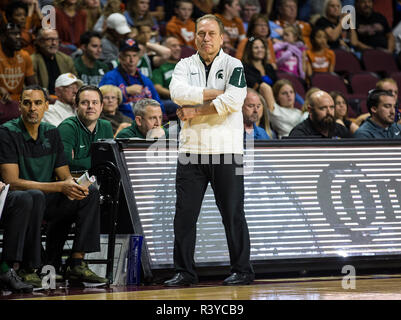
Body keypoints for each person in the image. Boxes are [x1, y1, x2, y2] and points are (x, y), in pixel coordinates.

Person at [163, 14, 254, 287]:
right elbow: (176, 93)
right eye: (201, 33)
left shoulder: (234, 64)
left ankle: (242, 270)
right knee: (184, 216)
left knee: (233, 214)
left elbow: (234, 100)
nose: (206, 38)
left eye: (212, 33)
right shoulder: (183, 64)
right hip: (191, 151)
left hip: (227, 152)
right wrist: (214, 92)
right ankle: (184, 272)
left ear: (222, 37)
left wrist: (195, 110)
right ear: (194, 37)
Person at [0, 85, 108, 286]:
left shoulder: (51, 132)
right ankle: (29, 267)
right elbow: (12, 183)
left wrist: (76, 185)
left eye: (38, 103)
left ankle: (77, 263)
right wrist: (59, 187)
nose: (33, 108)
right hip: (16, 203)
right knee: (33, 196)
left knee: (90, 193)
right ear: (19, 107)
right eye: (27, 103)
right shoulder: (7, 132)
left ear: (46, 107)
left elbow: (64, 177)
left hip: (45, 200)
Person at [99, 38, 165, 120]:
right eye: (127, 56)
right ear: (120, 58)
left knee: (173, 127)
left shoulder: (145, 80)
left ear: (138, 58)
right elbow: (103, 101)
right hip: (121, 122)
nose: (132, 60)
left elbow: (158, 103)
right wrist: (126, 91)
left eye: (134, 56)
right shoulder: (111, 77)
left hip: (147, 123)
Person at [57, 85, 114, 172]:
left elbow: (111, 160)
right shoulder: (67, 128)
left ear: (101, 106)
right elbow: (64, 165)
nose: (90, 106)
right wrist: (101, 161)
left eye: (95, 102)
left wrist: (77, 162)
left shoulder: (106, 126)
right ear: (76, 106)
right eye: (84, 103)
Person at [31, 28, 77, 97]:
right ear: (40, 42)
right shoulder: (32, 61)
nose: (54, 43)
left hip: (65, 99)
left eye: (56, 40)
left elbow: (74, 82)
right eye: (49, 40)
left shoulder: (66, 59)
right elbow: (33, 87)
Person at [0, 22, 36, 103]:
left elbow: (32, 86)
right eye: (13, 34)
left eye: (19, 33)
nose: (18, 37)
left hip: (19, 101)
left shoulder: (24, 55)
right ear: (2, 37)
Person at [151, 36, 181, 117]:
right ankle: (172, 129)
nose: (178, 48)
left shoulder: (184, 65)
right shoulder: (160, 66)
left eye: (179, 46)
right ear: (164, 49)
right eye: (174, 46)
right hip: (168, 100)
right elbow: (157, 87)